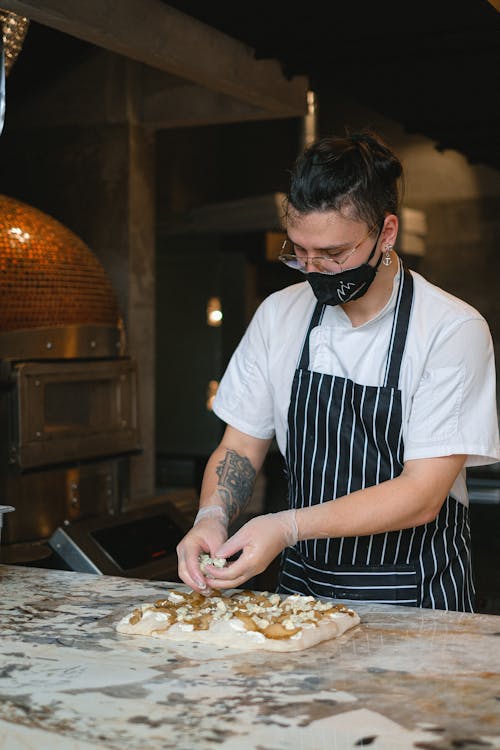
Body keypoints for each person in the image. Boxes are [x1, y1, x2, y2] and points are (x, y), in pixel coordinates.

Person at [176, 128, 500, 611]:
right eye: (298, 251)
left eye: (332, 254)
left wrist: (285, 526)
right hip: (303, 590)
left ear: (386, 233)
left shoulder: (450, 329)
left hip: (413, 594)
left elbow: (423, 494)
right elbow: (241, 444)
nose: (313, 269)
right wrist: (211, 516)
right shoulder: (278, 314)